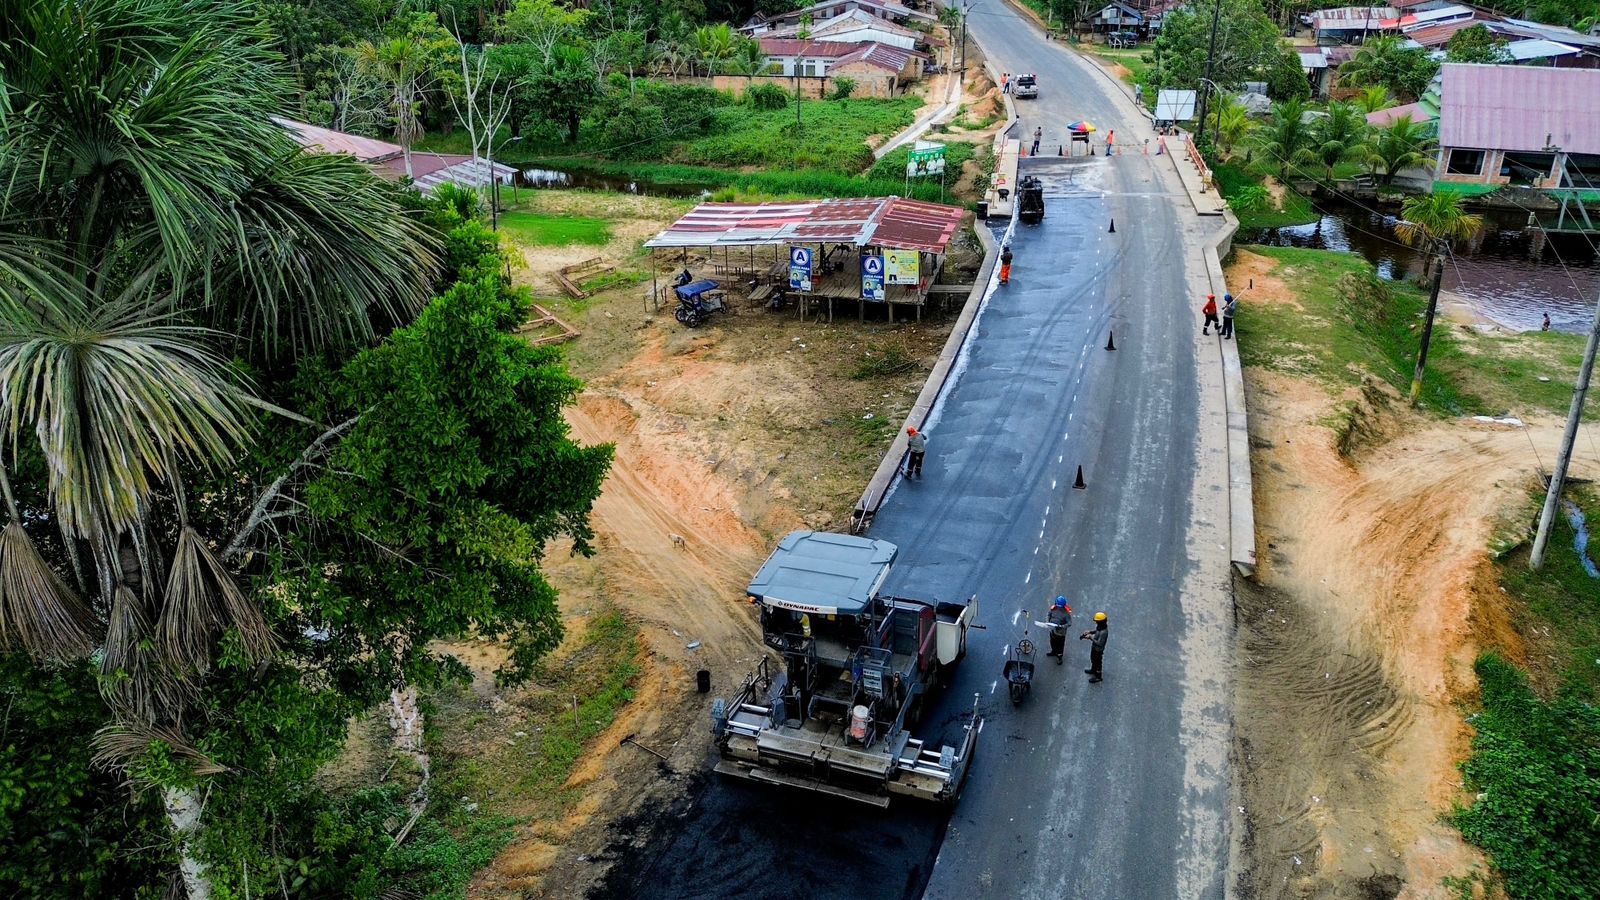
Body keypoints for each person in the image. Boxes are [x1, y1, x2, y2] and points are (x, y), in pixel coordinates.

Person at [1079, 612, 1108, 683]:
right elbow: (1097, 631)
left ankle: (1098, 676)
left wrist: (1090, 637)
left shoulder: (1104, 632)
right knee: (1093, 659)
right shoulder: (1100, 627)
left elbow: (1100, 643)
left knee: (1097, 662)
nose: (1096, 623)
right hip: (1094, 648)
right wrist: (1090, 632)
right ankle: (1093, 670)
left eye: (1097, 621)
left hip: (1098, 650)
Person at [1046, 596, 1072, 664]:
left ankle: (1059, 657)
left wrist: (1062, 626)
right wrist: (1048, 622)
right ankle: (1053, 651)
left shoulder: (1066, 614)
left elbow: (1069, 623)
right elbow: (1049, 614)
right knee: (1052, 641)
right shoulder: (1053, 609)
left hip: (1060, 633)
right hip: (1052, 630)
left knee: (1060, 645)